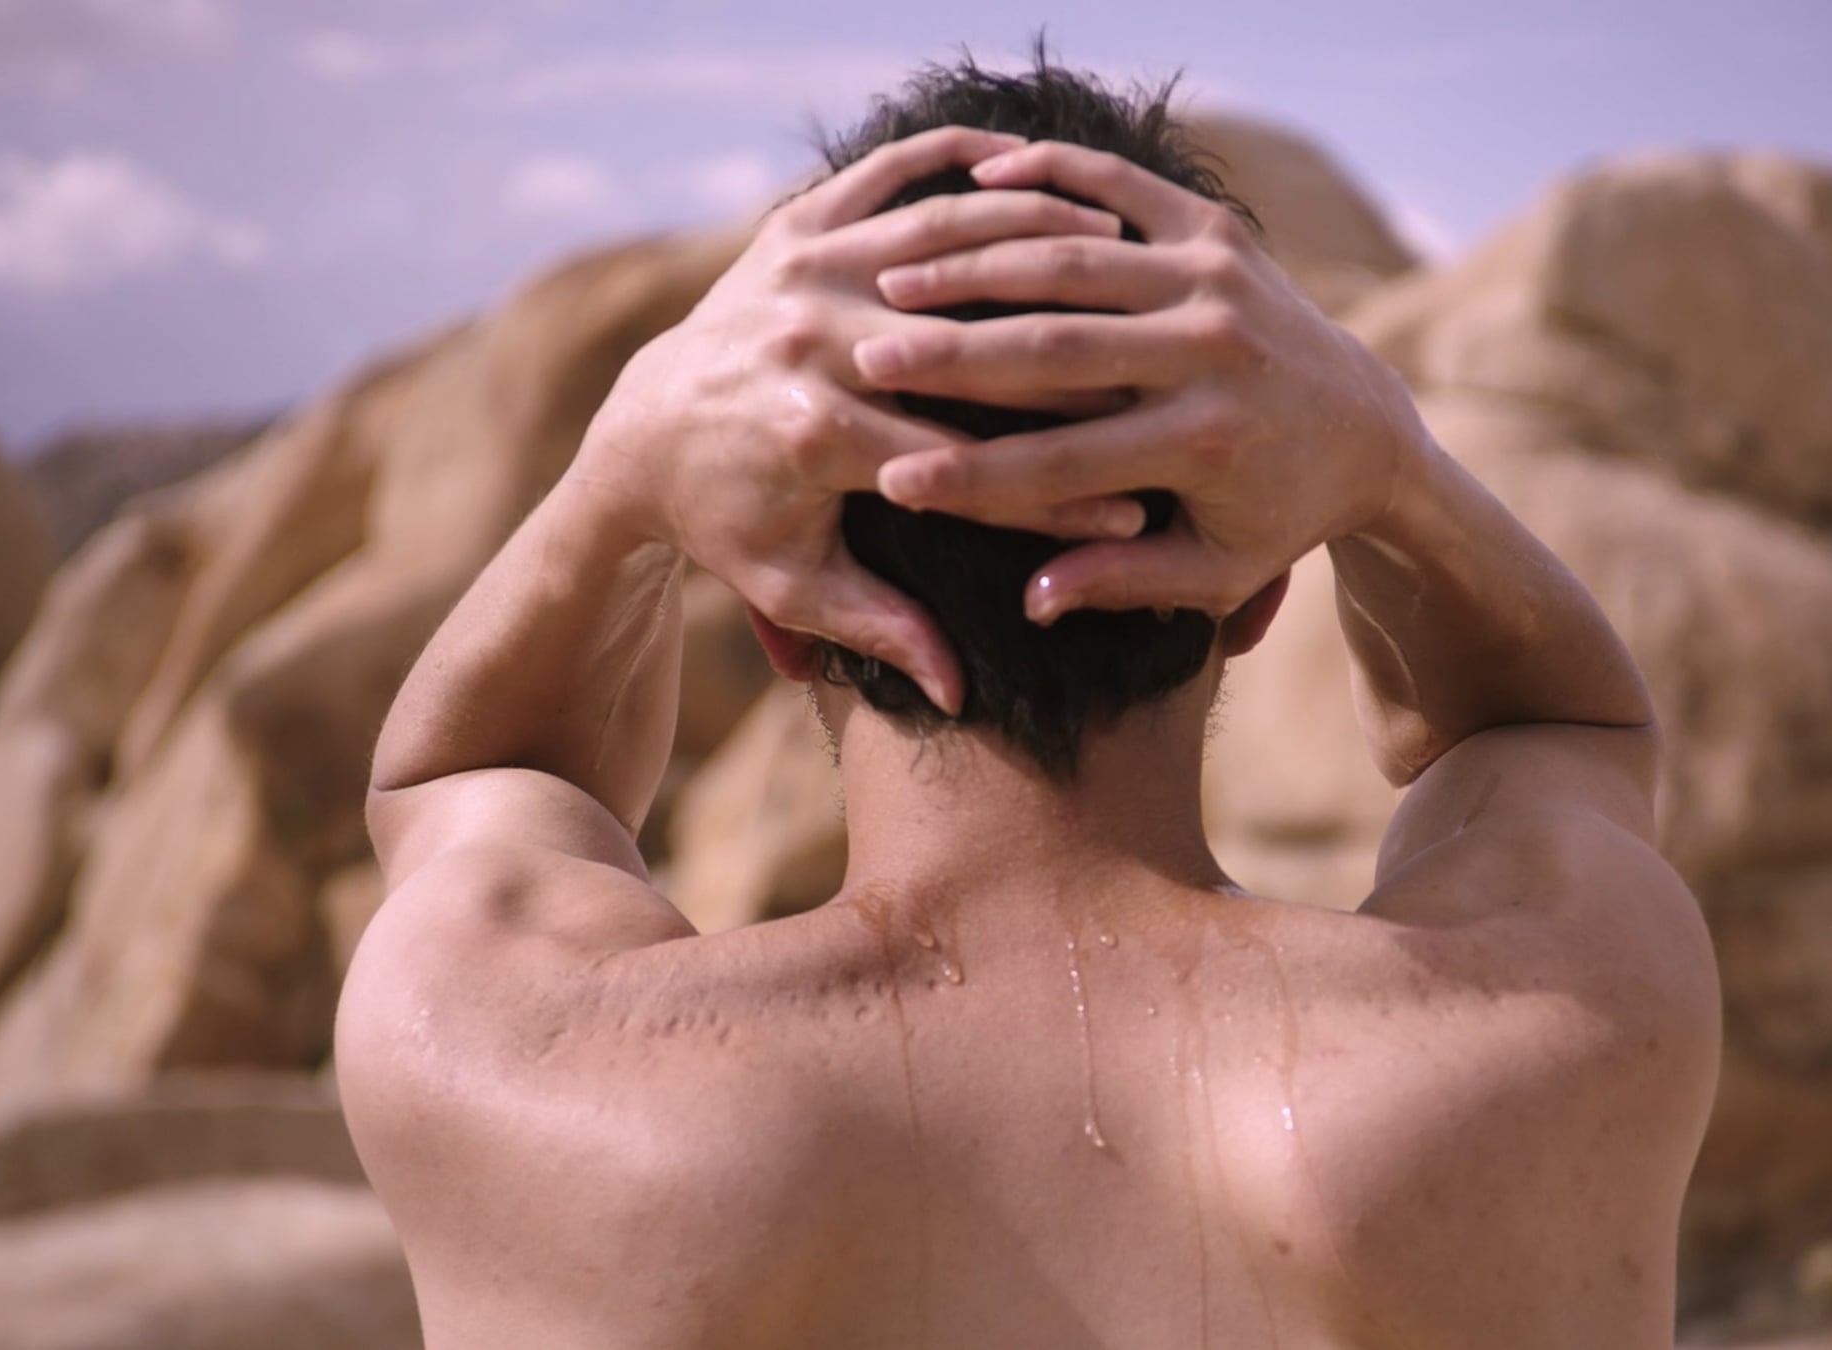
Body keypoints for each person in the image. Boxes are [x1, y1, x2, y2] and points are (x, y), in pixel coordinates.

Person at [336, 53, 1721, 1350]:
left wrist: (620, 480)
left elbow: (464, 782)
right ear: (1256, 596)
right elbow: (1558, 735)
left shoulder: (522, 1068)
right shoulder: (1548, 1027)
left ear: (783, 622)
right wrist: (1388, 459)